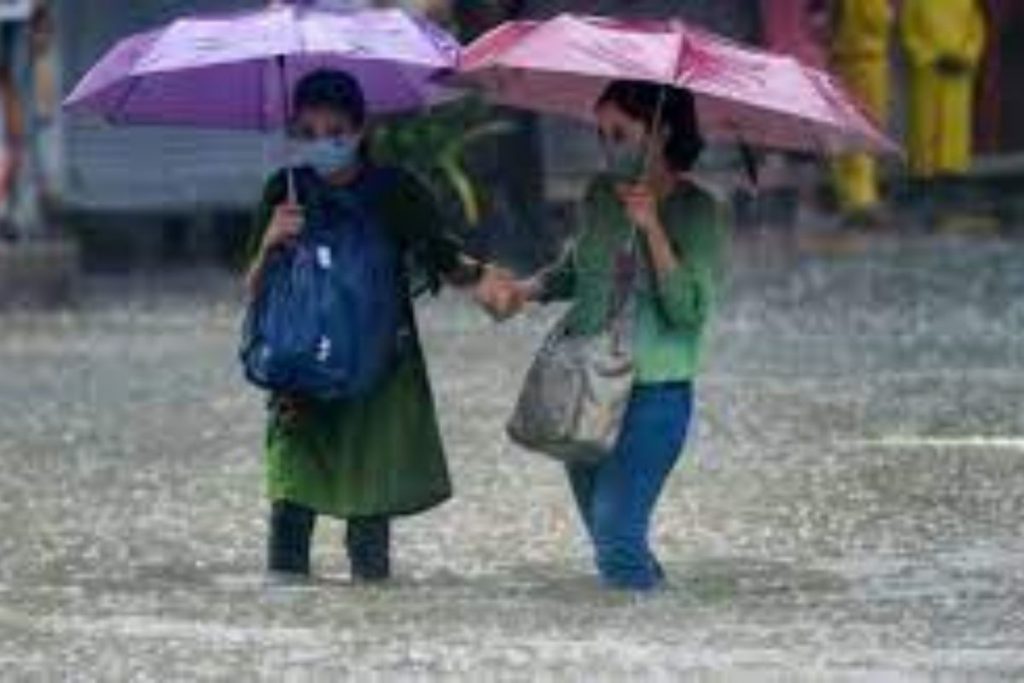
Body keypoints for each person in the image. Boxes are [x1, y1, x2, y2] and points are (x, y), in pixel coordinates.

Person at [245, 69, 514, 582]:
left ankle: (370, 636)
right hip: (300, 377)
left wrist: (484, 284)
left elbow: (438, 255)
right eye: (308, 132)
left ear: (361, 129)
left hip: (378, 375)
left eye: (336, 131)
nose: (323, 143)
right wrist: (269, 242)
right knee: (289, 516)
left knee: (368, 532)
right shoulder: (283, 192)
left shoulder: (396, 191)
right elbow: (253, 291)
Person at [495, 81, 727, 590]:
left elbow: (688, 312)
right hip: (586, 390)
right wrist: (522, 292)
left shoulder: (699, 210)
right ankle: (666, 631)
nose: (607, 146)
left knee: (617, 541)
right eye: (601, 134)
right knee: (615, 545)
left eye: (620, 133)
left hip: (654, 396)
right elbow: (577, 271)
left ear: (660, 131)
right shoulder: (601, 195)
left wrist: (653, 229)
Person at [901, 0, 986, 178]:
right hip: (929, 72)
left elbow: (977, 31)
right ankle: (923, 171)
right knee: (926, 120)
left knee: (955, 122)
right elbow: (908, 32)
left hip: (958, 71)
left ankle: (953, 169)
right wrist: (932, 58)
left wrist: (967, 56)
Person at [830, 0, 892, 224]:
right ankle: (862, 199)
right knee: (864, 129)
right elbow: (879, 22)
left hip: (845, 59)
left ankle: (851, 196)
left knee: (847, 130)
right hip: (866, 60)